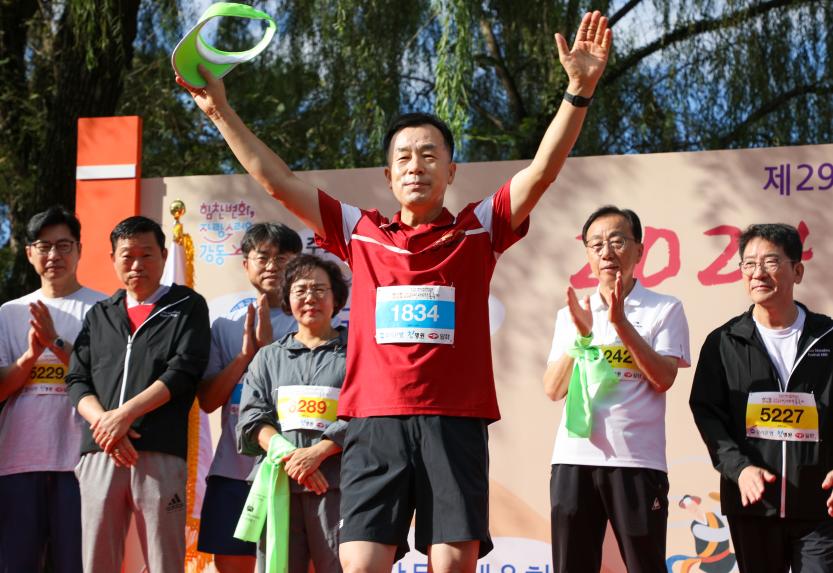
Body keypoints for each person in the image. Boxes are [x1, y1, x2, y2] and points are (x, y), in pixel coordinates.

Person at [180, 11, 612, 572]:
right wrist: (219, 111)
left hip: (453, 421)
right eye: (404, 157)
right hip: (373, 421)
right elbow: (277, 181)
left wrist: (578, 93)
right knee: (360, 563)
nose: (416, 166)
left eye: (430, 155)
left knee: (451, 563)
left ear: (451, 171)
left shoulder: (480, 229)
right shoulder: (360, 232)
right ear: (388, 176)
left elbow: (543, 171)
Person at [542, 205, 691, 573]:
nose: (606, 252)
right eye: (596, 245)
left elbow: (663, 378)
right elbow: (553, 389)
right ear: (588, 255)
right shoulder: (573, 313)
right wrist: (583, 336)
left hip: (636, 460)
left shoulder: (664, 309)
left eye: (617, 241)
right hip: (574, 458)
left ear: (639, 250)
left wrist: (621, 323)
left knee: (645, 565)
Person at [65, 215, 210, 573]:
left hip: (160, 450)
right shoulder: (100, 314)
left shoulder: (187, 306)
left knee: (164, 561)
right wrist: (106, 424)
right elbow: (77, 379)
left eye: (147, 255)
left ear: (163, 256)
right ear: (113, 259)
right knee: (97, 559)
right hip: (101, 451)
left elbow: (183, 372)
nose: (136, 265)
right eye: (127, 256)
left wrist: (124, 416)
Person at [690, 223, 833, 572]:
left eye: (771, 261)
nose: (758, 273)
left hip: (820, 506)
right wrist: (739, 469)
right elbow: (708, 413)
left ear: (797, 271)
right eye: (749, 263)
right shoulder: (724, 342)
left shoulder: (828, 337)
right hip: (752, 505)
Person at [0, 206, 106, 573]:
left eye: (63, 245)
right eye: (44, 246)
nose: (54, 256)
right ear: (29, 252)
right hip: (17, 459)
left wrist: (56, 343)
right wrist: (30, 355)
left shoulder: (104, 309)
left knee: (77, 564)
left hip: (81, 461)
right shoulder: (9, 313)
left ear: (79, 250)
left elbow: (107, 382)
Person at [197, 223, 302, 573]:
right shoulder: (224, 325)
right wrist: (244, 356)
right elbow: (208, 401)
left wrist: (269, 351)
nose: (272, 266)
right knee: (232, 564)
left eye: (282, 258)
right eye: (263, 257)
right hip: (233, 471)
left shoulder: (309, 324)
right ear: (246, 265)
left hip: (292, 469)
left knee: (294, 563)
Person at [237, 254, 349, 573]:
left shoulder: (357, 354)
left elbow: (365, 414)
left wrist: (319, 453)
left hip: (336, 486)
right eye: (300, 290)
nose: (310, 297)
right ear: (287, 299)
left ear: (337, 298)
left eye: (319, 289)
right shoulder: (267, 358)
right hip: (279, 485)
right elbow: (252, 418)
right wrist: (292, 458)